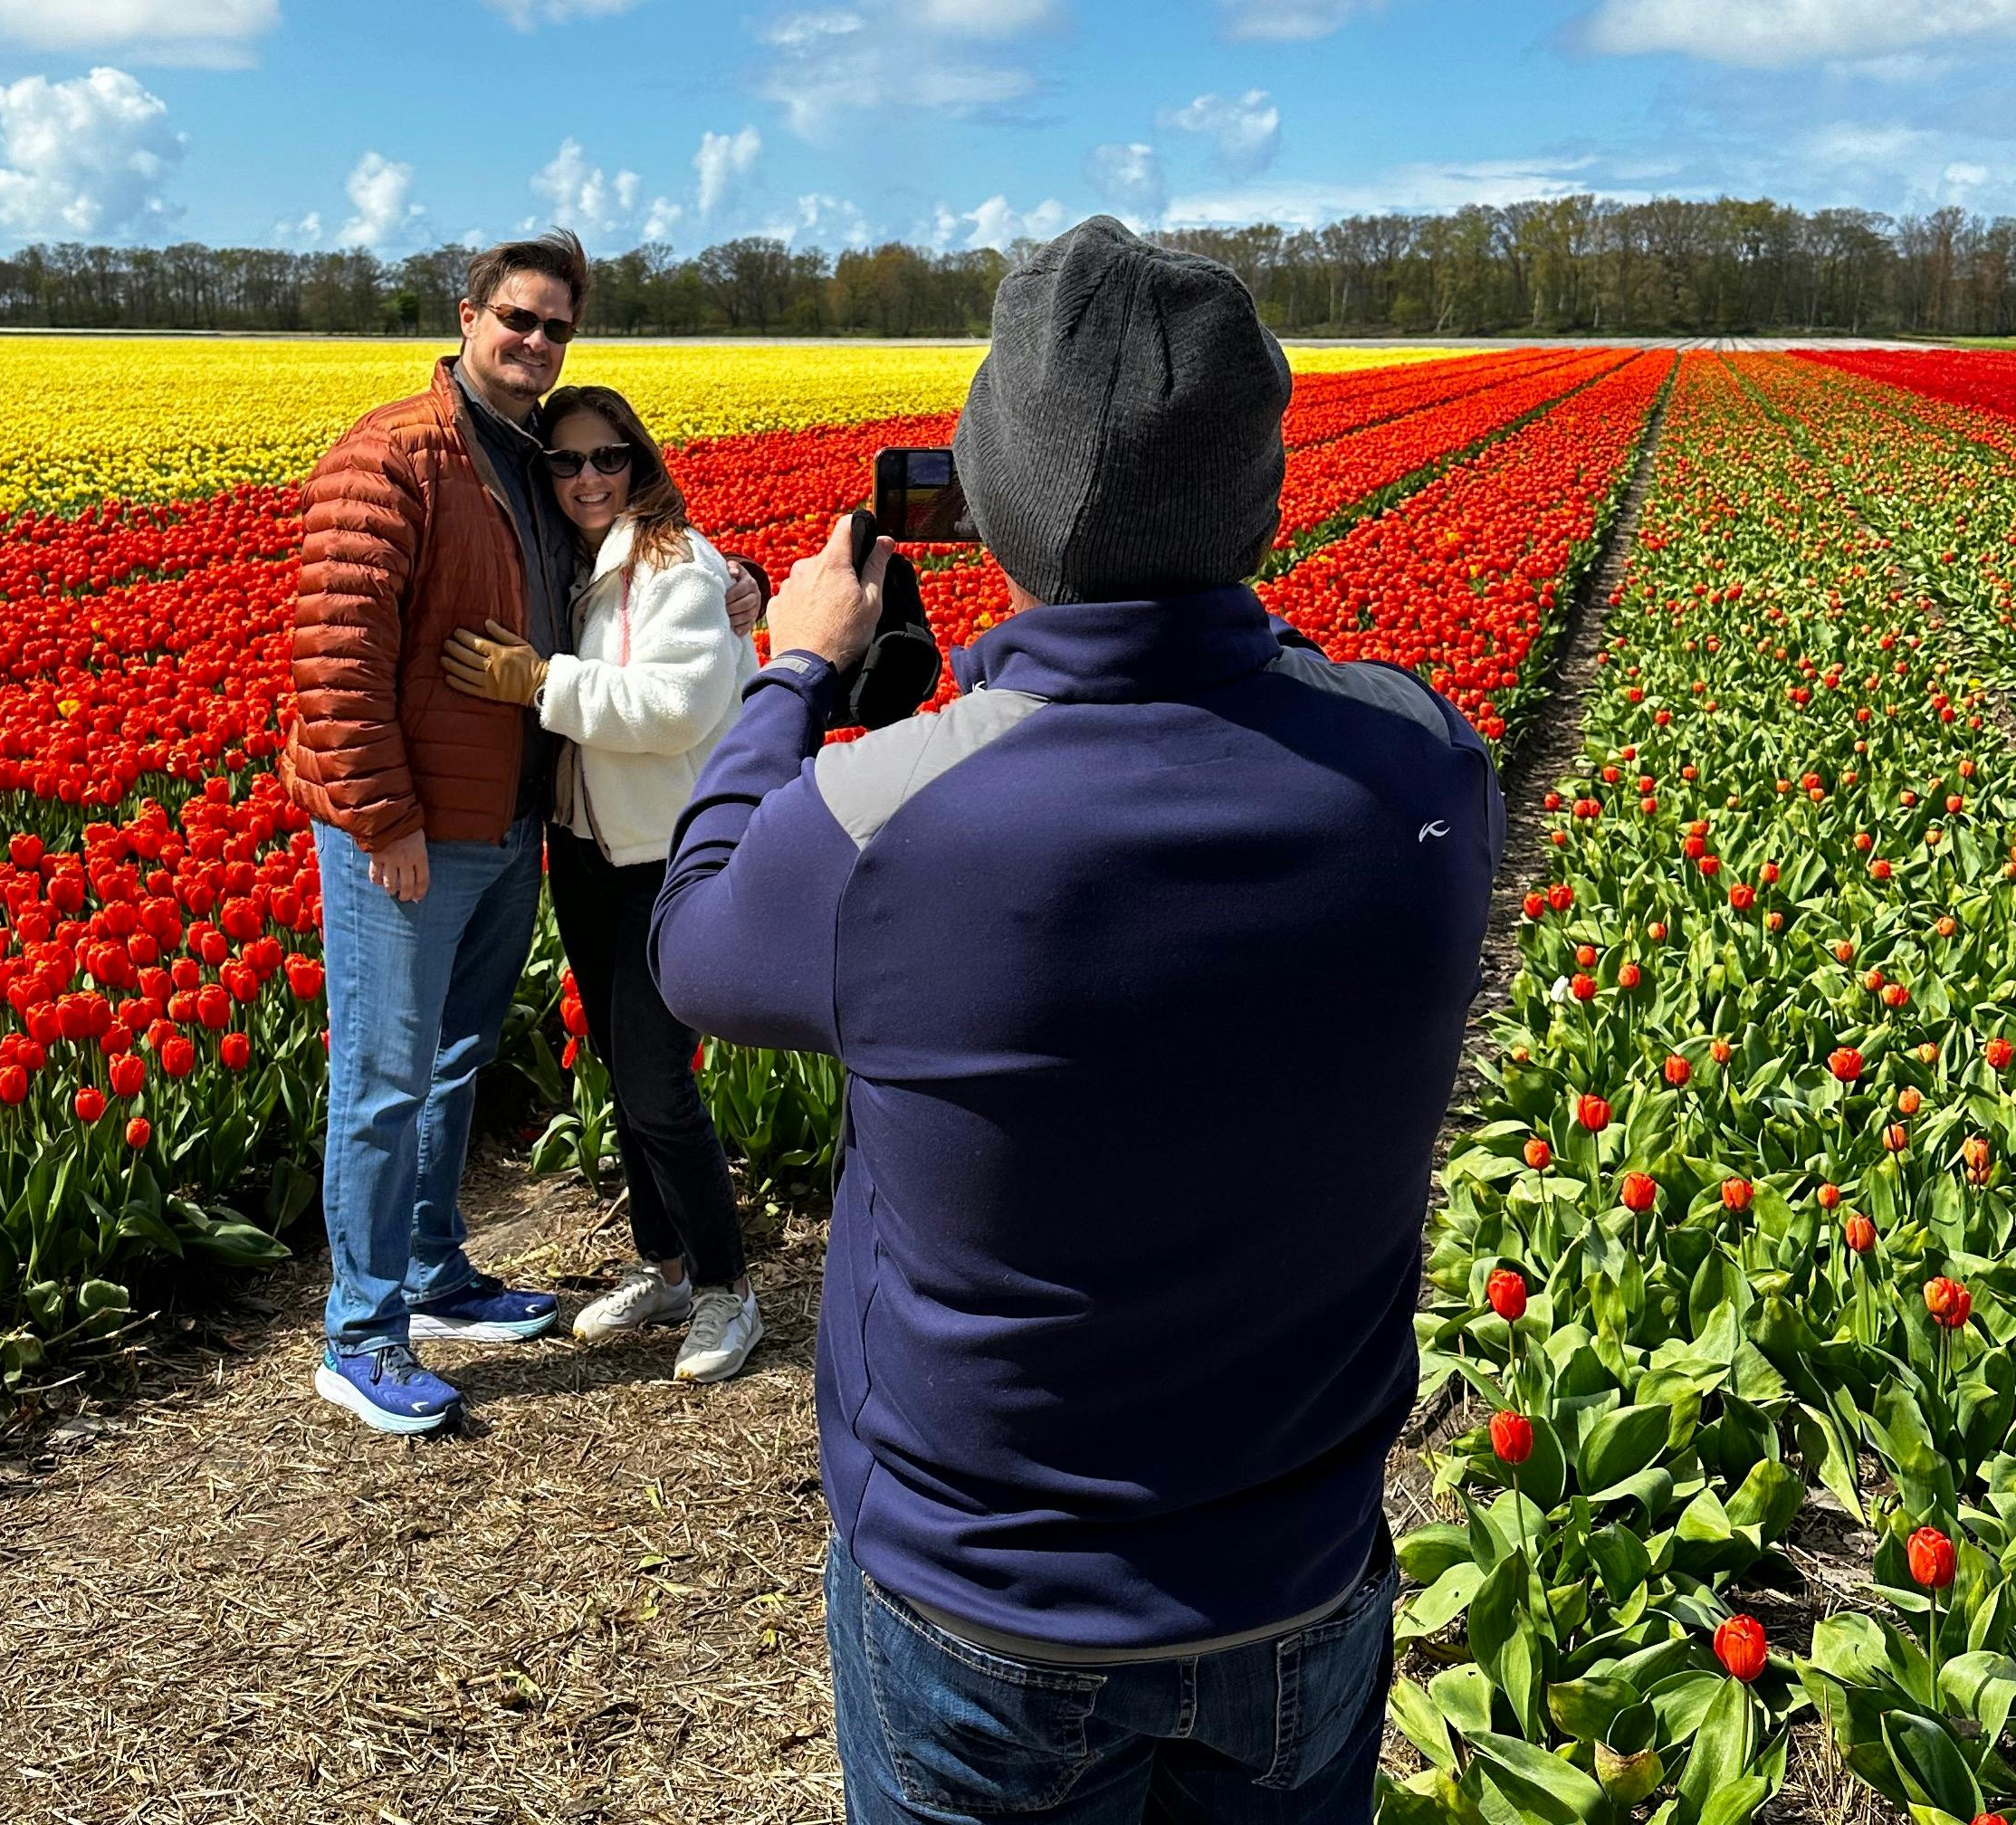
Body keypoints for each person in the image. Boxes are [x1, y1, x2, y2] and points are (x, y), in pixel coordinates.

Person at [649, 216, 1503, 1822]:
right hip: (1296, 1573)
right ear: (1256, 502)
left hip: (987, 1603)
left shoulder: (891, 815)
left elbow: (695, 937)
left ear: (994, 501)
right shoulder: (1423, 769)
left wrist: (794, 674)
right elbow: (1275, 692)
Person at [278, 230, 763, 1436]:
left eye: (556, 326)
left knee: (449, 1063)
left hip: (511, 822)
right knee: (387, 1078)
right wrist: (380, 816)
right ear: (468, 317)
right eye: (518, 320)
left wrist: (733, 574)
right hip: (415, 828)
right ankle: (362, 1332)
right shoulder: (396, 454)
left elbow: (636, 582)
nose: (536, 342)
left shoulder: (530, 464)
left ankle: (436, 1276)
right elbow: (335, 657)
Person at [435, 385, 764, 1382]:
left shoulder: (678, 567)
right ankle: (664, 1268)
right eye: (565, 463)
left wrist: (541, 682)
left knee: (661, 1086)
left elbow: (671, 707)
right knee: (625, 1079)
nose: (586, 478)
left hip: (669, 857)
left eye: (607, 458)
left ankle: (727, 1290)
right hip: (586, 850)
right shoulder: (579, 569)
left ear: (641, 461)